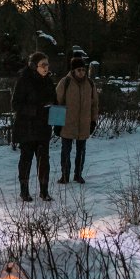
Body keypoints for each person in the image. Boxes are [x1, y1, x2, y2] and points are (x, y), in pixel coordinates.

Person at [11, 51, 56, 202]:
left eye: (47, 64)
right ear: (33, 66)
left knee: (44, 160)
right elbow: (15, 104)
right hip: (27, 127)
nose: (46, 68)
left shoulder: (49, 81)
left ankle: (44, 191)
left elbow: (54, 102)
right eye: (43, 65)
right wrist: (35, 110)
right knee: (26, 159)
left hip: (43, 127)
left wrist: (57, 117)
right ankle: (24, 191)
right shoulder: (24, 80)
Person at [55, 56, 99, 184]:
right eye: (79, 70)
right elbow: (57, 102)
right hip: (67, 123)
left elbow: (95, 104)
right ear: (73, 70)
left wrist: (93, 121)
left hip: (84, 123)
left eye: (83, 70)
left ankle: (78, 174)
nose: (81, 72)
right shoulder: (65, 82)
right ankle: (64, 175)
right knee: (65, 151)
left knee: (81, 151)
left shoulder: (90, 84)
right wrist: (57, 123)